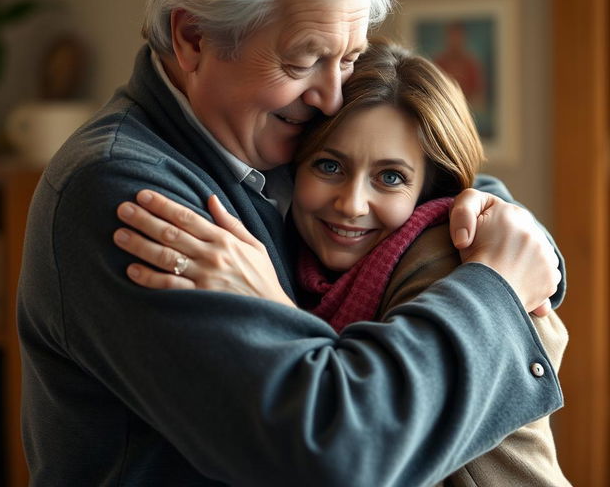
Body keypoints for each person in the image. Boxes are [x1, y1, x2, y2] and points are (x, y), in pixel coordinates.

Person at [17, 0, 563, 486]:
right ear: (193, 37)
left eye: (350, 59)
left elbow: (417, 179)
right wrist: (495, 285)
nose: (332, 98)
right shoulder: (122, 195)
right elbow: (334, 453)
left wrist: (505, 223)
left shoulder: (269, 144)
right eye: (305, 59)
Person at [115, 41, 570, 486]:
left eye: (390, 177)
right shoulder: (300, 254)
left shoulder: (445, 258)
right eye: (330, 166)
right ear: (294, 170)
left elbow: (371, 445)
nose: (352, 204)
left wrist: (272, 309)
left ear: (430, 189)